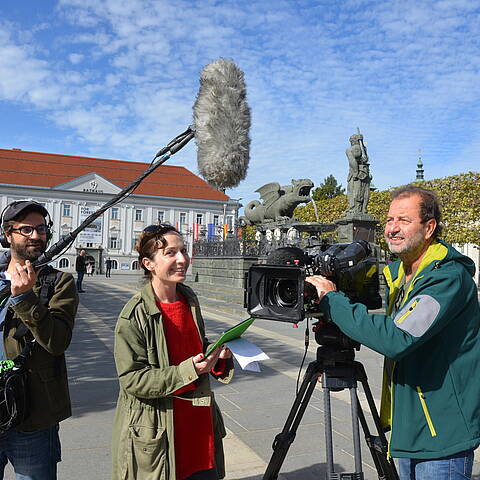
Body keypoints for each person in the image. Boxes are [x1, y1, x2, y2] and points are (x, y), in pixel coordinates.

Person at [306, 185, 480, 480]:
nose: (392, 229)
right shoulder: (402, 274)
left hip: (440, 436)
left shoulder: (445, 279)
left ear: (429, 228)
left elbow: (396, 338)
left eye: (403, 220)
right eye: (388, 220)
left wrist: (333, 301)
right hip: (410, 427)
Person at [111, 224, 234, 480]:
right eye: (170, 253)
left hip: (200, 426)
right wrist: (190, 369)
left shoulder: (189, 300)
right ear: (149, 263)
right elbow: (132, 380)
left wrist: (217, 357)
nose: (182, 259)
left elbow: (193, 349)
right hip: (160, 432)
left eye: (184, 251)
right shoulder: (134, 315)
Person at [0, 200, 78, 479]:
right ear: (7, 234)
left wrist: (24, 298)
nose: (36, 235)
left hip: (33, 415)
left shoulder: (59, 282)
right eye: (27, 229)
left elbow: (57, 342)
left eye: (41, 229)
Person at [346, 133, 371, 215]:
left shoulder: (350, 150)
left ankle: (354, 209)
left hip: (355, 173)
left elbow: (353, 162)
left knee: (353, 191)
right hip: (365, 172)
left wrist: (356, 173)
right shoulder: (363, 149)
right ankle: (364, 209)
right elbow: (366, 159)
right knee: (364, 191)